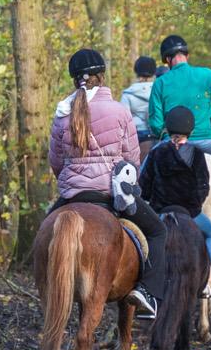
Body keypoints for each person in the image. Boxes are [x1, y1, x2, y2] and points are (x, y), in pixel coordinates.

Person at [48, 47, 169, 318]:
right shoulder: (119, 110)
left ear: (73, 79)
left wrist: (72, 183)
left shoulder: (61, 114)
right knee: (158, 231)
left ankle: (46, 289)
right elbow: (131, 159)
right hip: (109, 193)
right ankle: (147, 291)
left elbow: (56, 163)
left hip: (72, 195)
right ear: (101, 76)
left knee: (44, 236)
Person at [145, 34, 211, 239]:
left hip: (170, 143)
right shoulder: (207, 75)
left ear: (166, 60)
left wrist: (166, 134)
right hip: (208, 142)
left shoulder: (160, 83)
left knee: (143, 173)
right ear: (187, 55)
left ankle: (144, 219)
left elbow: (155, 123)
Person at [140, 105, 211, 270]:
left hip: (161, 212)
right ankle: (205, 276)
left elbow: (144, 187)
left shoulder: (156, 152)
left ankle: (143, 281)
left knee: (142, 238)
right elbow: (203, 187)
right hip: (189, 213)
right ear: (189, 129)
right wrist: (194, 206)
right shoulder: (196, 153)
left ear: (168, 128)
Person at [121, 56, 157, 144]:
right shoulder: (158, 91)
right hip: (156, 133)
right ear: (153, 72)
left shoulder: (128, 94)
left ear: (136, 71)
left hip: (136, 135)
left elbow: (124, 119)